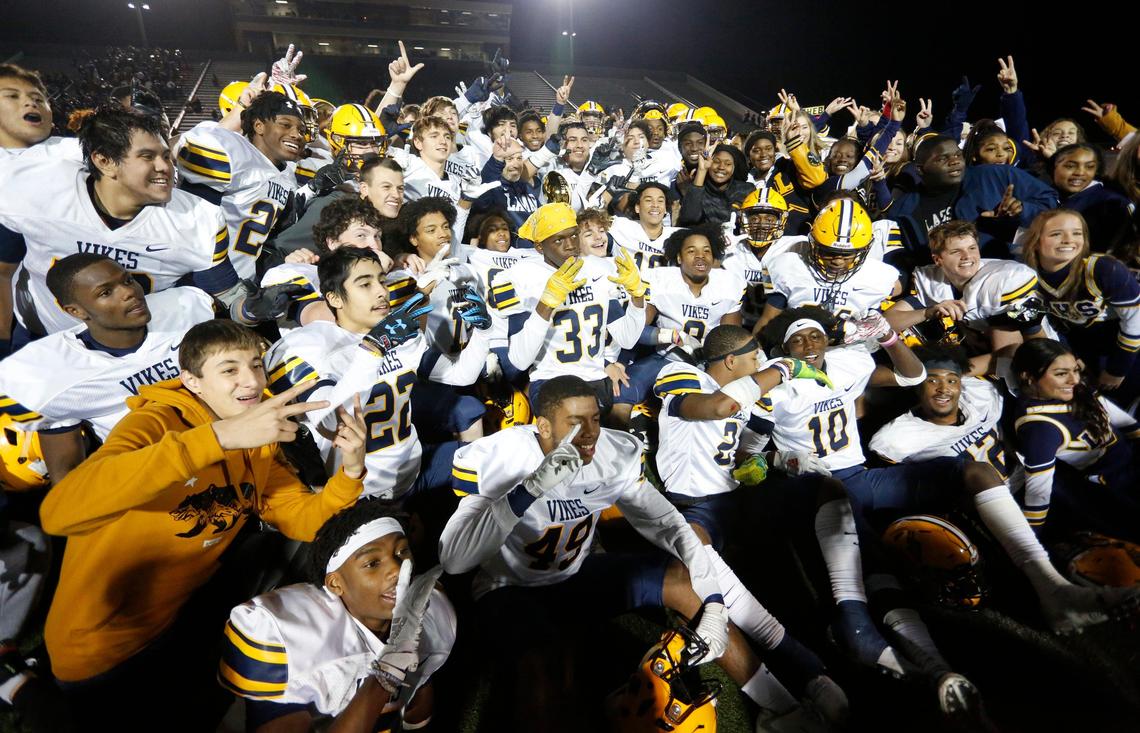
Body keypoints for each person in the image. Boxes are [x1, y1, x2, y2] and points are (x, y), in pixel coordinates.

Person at [38, 319, 367, 727]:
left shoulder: (256, 429)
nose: (250, 380)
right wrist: (219, 438)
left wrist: (350, 472)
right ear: (192, 382)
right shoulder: (155, 423)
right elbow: (59, 512)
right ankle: (23, 686)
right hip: (104, 645)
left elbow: (301, 521)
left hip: (182, 612)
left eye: (256, 365)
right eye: (229, 369)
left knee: (278, 551)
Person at [439, 375, 766, 731]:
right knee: (548, 671)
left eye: (594, 418)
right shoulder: (500, 457)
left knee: (684, 582)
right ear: (543, 425)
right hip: (511, 587)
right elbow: (455, 560)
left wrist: (715, 601)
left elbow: (669, 525)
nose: (590, 432)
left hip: (575, 574)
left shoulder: (612, 451)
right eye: (575, 422)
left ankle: (776, 703)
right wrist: (528, 490)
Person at [0, 106, 287, 344]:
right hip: (41, 338)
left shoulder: (197, 219)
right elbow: (3, 271)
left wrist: (251, 309)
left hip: (137, 352)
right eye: (147, 157)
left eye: (165, 155)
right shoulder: (36, 187)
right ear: (105, 161)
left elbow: (227, 297)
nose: (165, 166)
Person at [265, 246, 490, 502]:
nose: (382, 291)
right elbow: (332, 423)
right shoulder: (305, 344)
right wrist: (374, 347)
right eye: (365, 284)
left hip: (415, 469)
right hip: (361, 492)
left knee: (500, 462)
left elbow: (461, 376)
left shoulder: (397, 332)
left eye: (382, 281)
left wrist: (483, 332)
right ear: (335, 299)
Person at [221, 500, 453, 732]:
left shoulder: (432, 610)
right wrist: (388, 671)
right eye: (372, 563)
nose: (396, 569)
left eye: (402, 551)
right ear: (335, 584)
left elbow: (420, 691)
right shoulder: (286, 633)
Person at [0, 255, 214, 482]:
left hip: (230, 446)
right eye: (105, 292)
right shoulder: (54, 371)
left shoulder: (185, 307)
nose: (128, 292)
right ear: (76, 312)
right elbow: (68, 474)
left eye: (128, 280)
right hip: (152, 478)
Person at [490, 203, 647, 410]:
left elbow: (627, 339)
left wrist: (637, 297)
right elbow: (519, 361)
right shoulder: (518, 277)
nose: (570, 245)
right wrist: (546, 304)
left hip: (596, 380)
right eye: (559, 240)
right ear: (539, 247)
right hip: (551, 381)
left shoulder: (599, 269)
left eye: (573, 235)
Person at [1012, 339, 1140, 544]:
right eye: (1061, 374)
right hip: (1115, 486)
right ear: (1027, 376)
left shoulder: (1070, 388)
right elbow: (1039, 492)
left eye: (1074, 370)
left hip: (1132, 460)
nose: (1074, 379)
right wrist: (1030, 546)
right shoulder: (1040, 428)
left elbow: (1118, 418)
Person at [176, 90, 307, 280]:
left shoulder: (287, 174)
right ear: (259, 126)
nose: (297, 135)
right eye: (285, 125)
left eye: (301, 130)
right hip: (201, 278)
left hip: (243, 282)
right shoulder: (231, 149)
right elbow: (192, 224)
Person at [885, 219, 1050, 366]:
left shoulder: (1002, 279)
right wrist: (928, 312)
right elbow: (887, 322)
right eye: (956, 251)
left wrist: (953, 370)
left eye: (972, 248)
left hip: (1032, 357)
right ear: (937, 260)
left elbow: (1013, 356)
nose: (967, 256)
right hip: (981, 354)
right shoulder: (931, 280)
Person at [1022, 209, 1140, 397]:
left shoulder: (1104, 269)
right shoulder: (1025, 276)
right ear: (1035, 241)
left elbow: (1135, 322)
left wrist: (1118, 369)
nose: (1069, 240)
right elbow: (1051, 324)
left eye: (1077, 233)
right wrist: (1070, 356)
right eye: (1056, 234)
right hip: (1082, 353)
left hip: (1125, 353)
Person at [755, 198, 899, 332]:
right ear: (813, 243)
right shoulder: (785, 265)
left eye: (847, 254)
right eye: (829, 252)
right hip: (796, 347)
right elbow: (767, 320)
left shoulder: (880, 276)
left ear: (863, 250)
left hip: (851, 351)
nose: (838, 261)